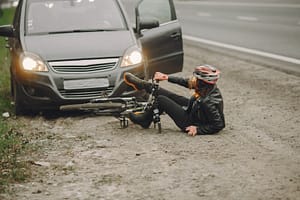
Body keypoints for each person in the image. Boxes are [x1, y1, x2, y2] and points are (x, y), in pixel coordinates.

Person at [123, 65, 225, 136]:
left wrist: (198, 130)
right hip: (194, 109)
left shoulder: (208, 102)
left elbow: (219, 124)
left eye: (197, 79)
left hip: (189, 121)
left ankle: (144, 120)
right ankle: (144, 85)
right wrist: (167, 77)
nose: (194, 80)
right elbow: (186, 82)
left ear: (203, 82)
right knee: (171, 95)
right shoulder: (207, 88)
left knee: (162, 99)